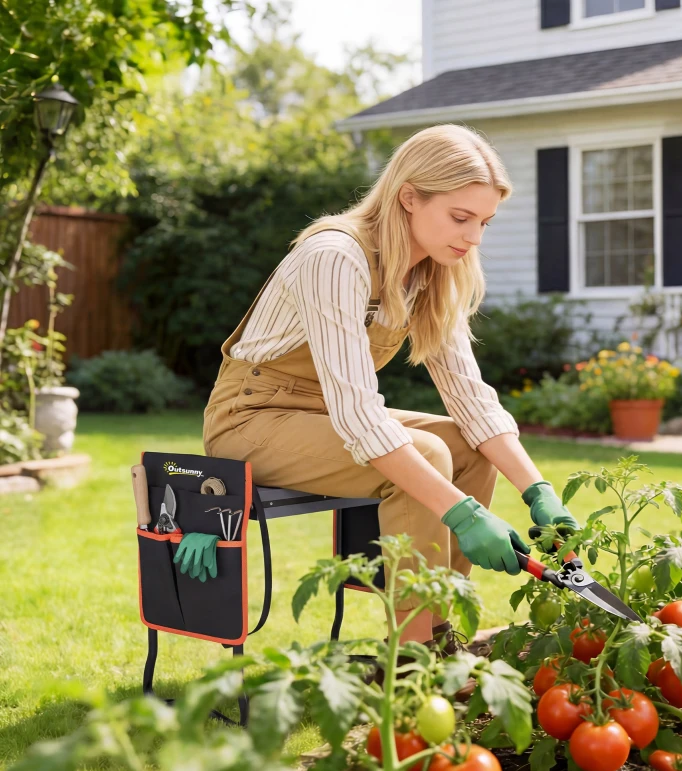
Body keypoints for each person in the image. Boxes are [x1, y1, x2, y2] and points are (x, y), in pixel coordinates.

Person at [203, 123, 580, 660]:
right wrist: (465, 516)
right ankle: (410, 658)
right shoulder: (335, 256)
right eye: (460, 217)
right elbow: (360, 416)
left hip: (326, 419)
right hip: (251, 421)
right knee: (426, 451)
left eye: (484, 222)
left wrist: (539, 492)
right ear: (409, 197)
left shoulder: (432, 270)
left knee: (465, 445)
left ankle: (438, 635)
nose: (474, 237)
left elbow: (471, 399)